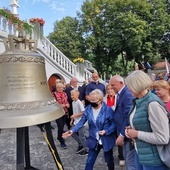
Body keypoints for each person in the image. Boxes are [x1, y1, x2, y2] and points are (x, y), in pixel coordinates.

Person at [125, 70, 169, 170]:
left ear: (137, 85)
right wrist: (130, 129)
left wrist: (136, 134)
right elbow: (144, 124)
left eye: (129, 85)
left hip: (154, 160)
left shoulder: (152, 104)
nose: (128, 88)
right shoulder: (139, 101)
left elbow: (163, 138)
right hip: (142, 154)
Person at [62, 89, 116, 170]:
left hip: (106, 139)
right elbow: (81, 122)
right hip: (93, 139)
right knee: (89, 161)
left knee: (109, 161)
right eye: (90, 100)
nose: (91, 102)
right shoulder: (88, 109)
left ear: (100, 100)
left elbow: (113, 124)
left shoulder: (107, 110)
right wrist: (72, 130)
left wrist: (106, 131)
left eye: (94, 100)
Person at [110, 75, 135, 169]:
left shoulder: (127, 95)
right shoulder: (122, 93)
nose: (111, 87)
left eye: (113, 85)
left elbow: (128, 117)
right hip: (122, 131)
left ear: (121, 83)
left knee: (130, 161)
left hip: (126, 133)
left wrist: (121, 135)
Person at [70, 89, 88, 156]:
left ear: (77, 95)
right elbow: (74, 112)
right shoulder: (73, 102)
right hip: (75, 122)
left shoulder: (79, 102)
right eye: (71, 95)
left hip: (81, 122)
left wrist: (75, 115)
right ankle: (81, 144)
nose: (72, 96)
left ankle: (87, 149)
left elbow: (83, 112)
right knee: (72, 133)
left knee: (82, 136)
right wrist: (72, 120)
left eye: (73, 95)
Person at [53, 82, 70, 149]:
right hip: (58, 113)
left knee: (62, 126)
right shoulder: (54, 94)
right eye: (59, 87)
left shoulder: (65, 94)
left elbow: (66, 101)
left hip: (64, 112)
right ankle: (61, 141)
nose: (61, 89)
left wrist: (67, 104)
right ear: (56, 88)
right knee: (60, 127)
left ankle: (59, 137)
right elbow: (54, 104)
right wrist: (63, 105)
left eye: (62, 87)